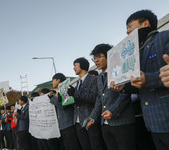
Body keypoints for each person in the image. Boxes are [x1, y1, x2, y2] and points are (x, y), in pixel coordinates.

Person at [111, 9, 169, 150]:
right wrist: (124, 87)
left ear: (146, 23)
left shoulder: (164, 37)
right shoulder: (133, 54)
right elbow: (139, 84)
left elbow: (151, 78)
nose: (127, 32)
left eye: (130, 26)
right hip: (151, 123)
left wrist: (149, 79)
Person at [86, 44, 136, 150]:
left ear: (110, 56)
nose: (96, 61)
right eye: (94, 58)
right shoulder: (100, 77)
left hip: (122, 122)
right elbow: (99, 98)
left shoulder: (121, 70)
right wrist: (93, 117)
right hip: (105, 124)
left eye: (99, 57)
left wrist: (112, 111)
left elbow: (125, 94)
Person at [68, 57, 105, 150]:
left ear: (82, 66)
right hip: (78, 121)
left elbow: (94, 98)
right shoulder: (78, 83)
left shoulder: (94, 79)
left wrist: (75, 93)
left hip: (90, 119)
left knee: (95, 146)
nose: (73, 68)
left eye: (75, 65)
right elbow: (77, 100)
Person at [49, 73, 81, 150]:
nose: (52, 82)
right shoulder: (58, 93)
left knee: (73, 146)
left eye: (53, 80)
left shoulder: (66, 89)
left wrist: (52, 99)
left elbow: (63, 106)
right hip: (62, 126)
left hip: (69, 124)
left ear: (58, 80)